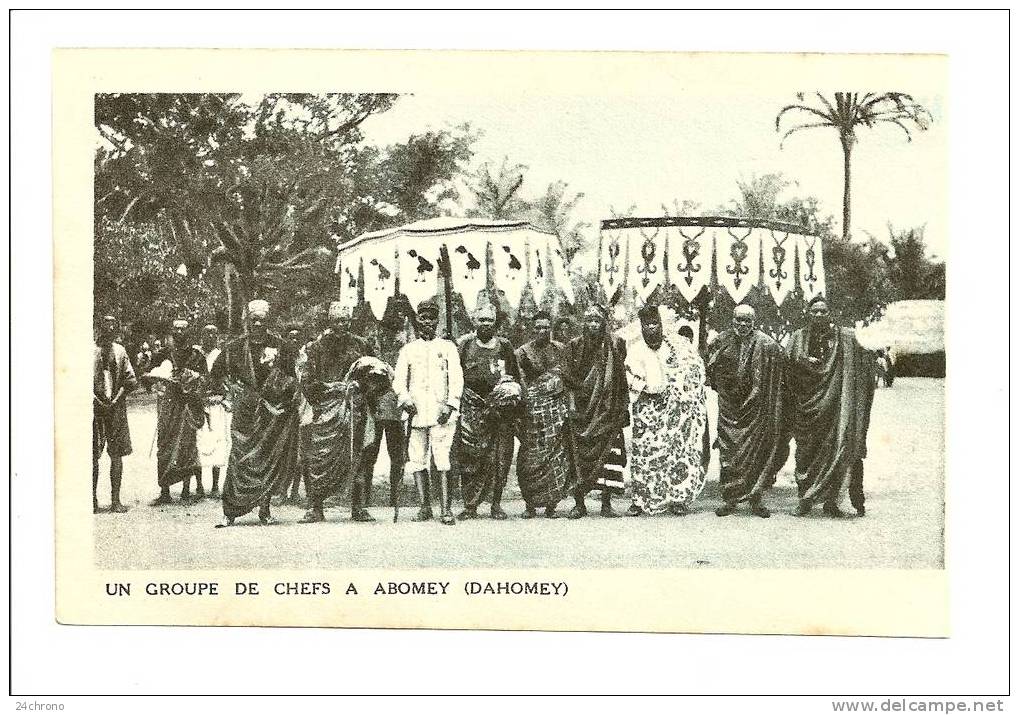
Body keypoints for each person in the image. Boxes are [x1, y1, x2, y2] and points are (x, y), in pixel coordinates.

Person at [785, 295, 876, 518]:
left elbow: (866, 356)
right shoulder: (797, 338)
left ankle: (831, 503)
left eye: (822, 311)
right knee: (805, 454)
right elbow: (787, 367)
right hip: (806, 407)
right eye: (814, 311)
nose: (818, 315)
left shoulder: (845, 339)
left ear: (830, 313)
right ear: (808, 313)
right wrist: (805, 363)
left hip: (835, 408)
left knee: (835, 451)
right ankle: (805, 500)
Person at [216, 300, 301, 526]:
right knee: (239, 458)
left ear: (268, 321)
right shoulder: (234, 347)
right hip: (245, 411)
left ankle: (265, 510)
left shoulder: (280, 345)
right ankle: (230, 511)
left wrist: (282, 390)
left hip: (271, 413)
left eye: (262, 320)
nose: (257, 324)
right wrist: (230, 388)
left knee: (267, 459)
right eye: (253, 320)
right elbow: (217, 374)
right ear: (247, 321)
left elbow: (293, 376)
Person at [625, 304, 709, 516]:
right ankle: (640, 499)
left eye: (655, 324)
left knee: (676, 453)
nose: (651, 329)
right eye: (647, 325)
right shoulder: (635, 350)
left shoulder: (677, 347)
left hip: (674, 413)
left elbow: (694, 369)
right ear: (642, 327)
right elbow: (628, 378)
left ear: (661, 325)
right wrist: (647, 389)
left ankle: (678, 498)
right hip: (647, 411)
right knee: (644, 454)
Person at [298, 302, 378, 524]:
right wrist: (329, 388)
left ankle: (358, 507)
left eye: (344, 321)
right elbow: (306, 380)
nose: (340, 325)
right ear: (329, 322)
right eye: (336, 321)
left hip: (355, 410)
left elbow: (375, 376)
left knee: (358, 455)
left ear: (350, 321)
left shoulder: (361, 346)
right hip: (323, 411)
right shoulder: (315, 348)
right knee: (317, 456)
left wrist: (359, 387)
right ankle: (315, 507)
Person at [706, 304, 788, 518]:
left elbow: (780, 372)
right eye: (739, 320)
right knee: (728, 452)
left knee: (756, 454)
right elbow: (711, 370)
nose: (742, 325)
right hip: (729, 408)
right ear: (732, 320)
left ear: (754, 321)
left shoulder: (767, 344)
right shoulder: (722, 340)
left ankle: (755, 498)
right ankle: (730, 499)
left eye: (747, 321)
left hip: (756, 410)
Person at [393, 298, 464, 525]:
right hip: (416, 413)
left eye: (431, 318)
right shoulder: (408, 350)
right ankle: (425, 507)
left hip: (440, 411)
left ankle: (445, 509)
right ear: (418, 320)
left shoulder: (448, 348)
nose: (427, 323)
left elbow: (457, 379)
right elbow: (398, 382)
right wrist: (404, 399)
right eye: (423, 318)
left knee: (442, 458)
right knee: (417, 458)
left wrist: (451, 404)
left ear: (436, 321)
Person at [453, 302, 522, 520]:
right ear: (475, 321)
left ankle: (496, 504)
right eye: (481, 320)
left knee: (500, 457)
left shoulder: (505, 346)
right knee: (470, 456)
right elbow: (455, 376)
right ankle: (470, 505)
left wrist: (509, 398)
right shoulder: (464, 344)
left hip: (500, 411)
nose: (485, 324)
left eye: (489, 320)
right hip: (472, 408)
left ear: (495, 323)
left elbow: (515, 376)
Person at [562, 304, 630, 518]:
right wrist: (576, 399)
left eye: (597, 321)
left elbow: (620, 376)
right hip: (581, 411)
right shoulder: (574, 346)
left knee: (609, 453)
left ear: (603, 323)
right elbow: (567, 376)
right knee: (576, 456)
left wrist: (621, 406)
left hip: (607, 409)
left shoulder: (616, 344)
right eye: (589, 320)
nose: (593, 324)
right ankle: (579, 504)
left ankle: (606, 503)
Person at [514, 310, 570, 518]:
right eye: (537, 327)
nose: (542, 331)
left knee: (556, 455)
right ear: (532, 328)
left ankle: (551, 505)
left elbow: (566, 375)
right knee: (530, 457)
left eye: (546, 327)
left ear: (551, 328)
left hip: (555, 411)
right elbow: (520, 382)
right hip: (532, 411)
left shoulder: (561, 349)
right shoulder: (522, 353)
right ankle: (529, 504)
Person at [148, 319, 208, 505]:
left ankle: (186, 491)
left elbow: (207, 380)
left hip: (188, 406)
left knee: (187, 446)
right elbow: (146, 375)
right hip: (168, 406)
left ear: (188, 332)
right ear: (172, 332)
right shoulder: (163, 354)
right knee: (164, 445)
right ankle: (164, 491)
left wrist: (192, 379)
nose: (179, 332)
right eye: (176, 329)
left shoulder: (197, 356)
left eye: (183, 329)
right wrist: (160, 380)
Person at [361, 301, 408, 508]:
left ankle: (394, 497)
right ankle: (366, 497)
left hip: (395, 408)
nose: (392, 332)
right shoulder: (372, 344)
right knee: (371, 452)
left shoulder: (405, 346)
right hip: (375, 405)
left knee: (396, 455)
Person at [93, 315, 138, 513]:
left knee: (116, 455)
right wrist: (98, 401)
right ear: (99, 328)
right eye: (105, 326)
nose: (109, 329)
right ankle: (92, 499)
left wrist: (115, 401)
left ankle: (115, 500)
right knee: (92, 455)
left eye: (113, 326)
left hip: (115, 409)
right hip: (94, 410)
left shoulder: (120, 351)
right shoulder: (89, 351)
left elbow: (129, 381)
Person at [197, 323, 228, 497]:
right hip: (198, 403)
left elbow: (226, 379)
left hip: (216, 403)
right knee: (199, 441)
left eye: (213, 334)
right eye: (206, 333)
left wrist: (221, 396)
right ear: (201, 336)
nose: (210, 337)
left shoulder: (221, 355)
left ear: (217, 337)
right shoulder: (196, 354)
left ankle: (216, 485)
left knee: (217, 442)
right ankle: (199, 485)